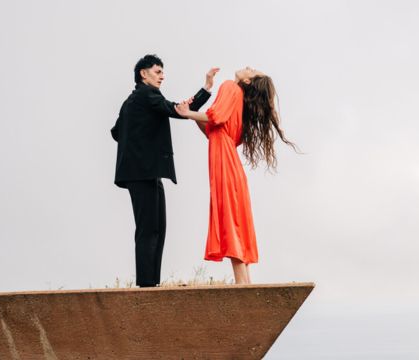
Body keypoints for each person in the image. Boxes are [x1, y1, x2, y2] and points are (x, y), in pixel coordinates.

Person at [175, 67, 297, 284]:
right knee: (235, 219)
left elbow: (216, 117)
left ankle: (242, 283)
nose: (247, 67)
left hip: (224, 163)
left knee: (229, 218)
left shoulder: (231, 87)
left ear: (248, 80)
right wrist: (194, 115)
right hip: (230, 163)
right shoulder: (240, 102)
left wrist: (188, 114)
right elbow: (212, 130)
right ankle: (245, 282)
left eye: (251, 70)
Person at [111, 54, 219, 287]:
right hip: (142, 173)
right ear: (144, 74)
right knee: (149, 230)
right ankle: (147, 285)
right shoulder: (146, 94)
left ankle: (151, 283)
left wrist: (138, 138)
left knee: (157, 228)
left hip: (145, 173)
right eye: (158, 71)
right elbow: (178, 110)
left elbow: (116, 132)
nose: (162, 76)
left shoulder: (132, 101)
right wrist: (206, 89)